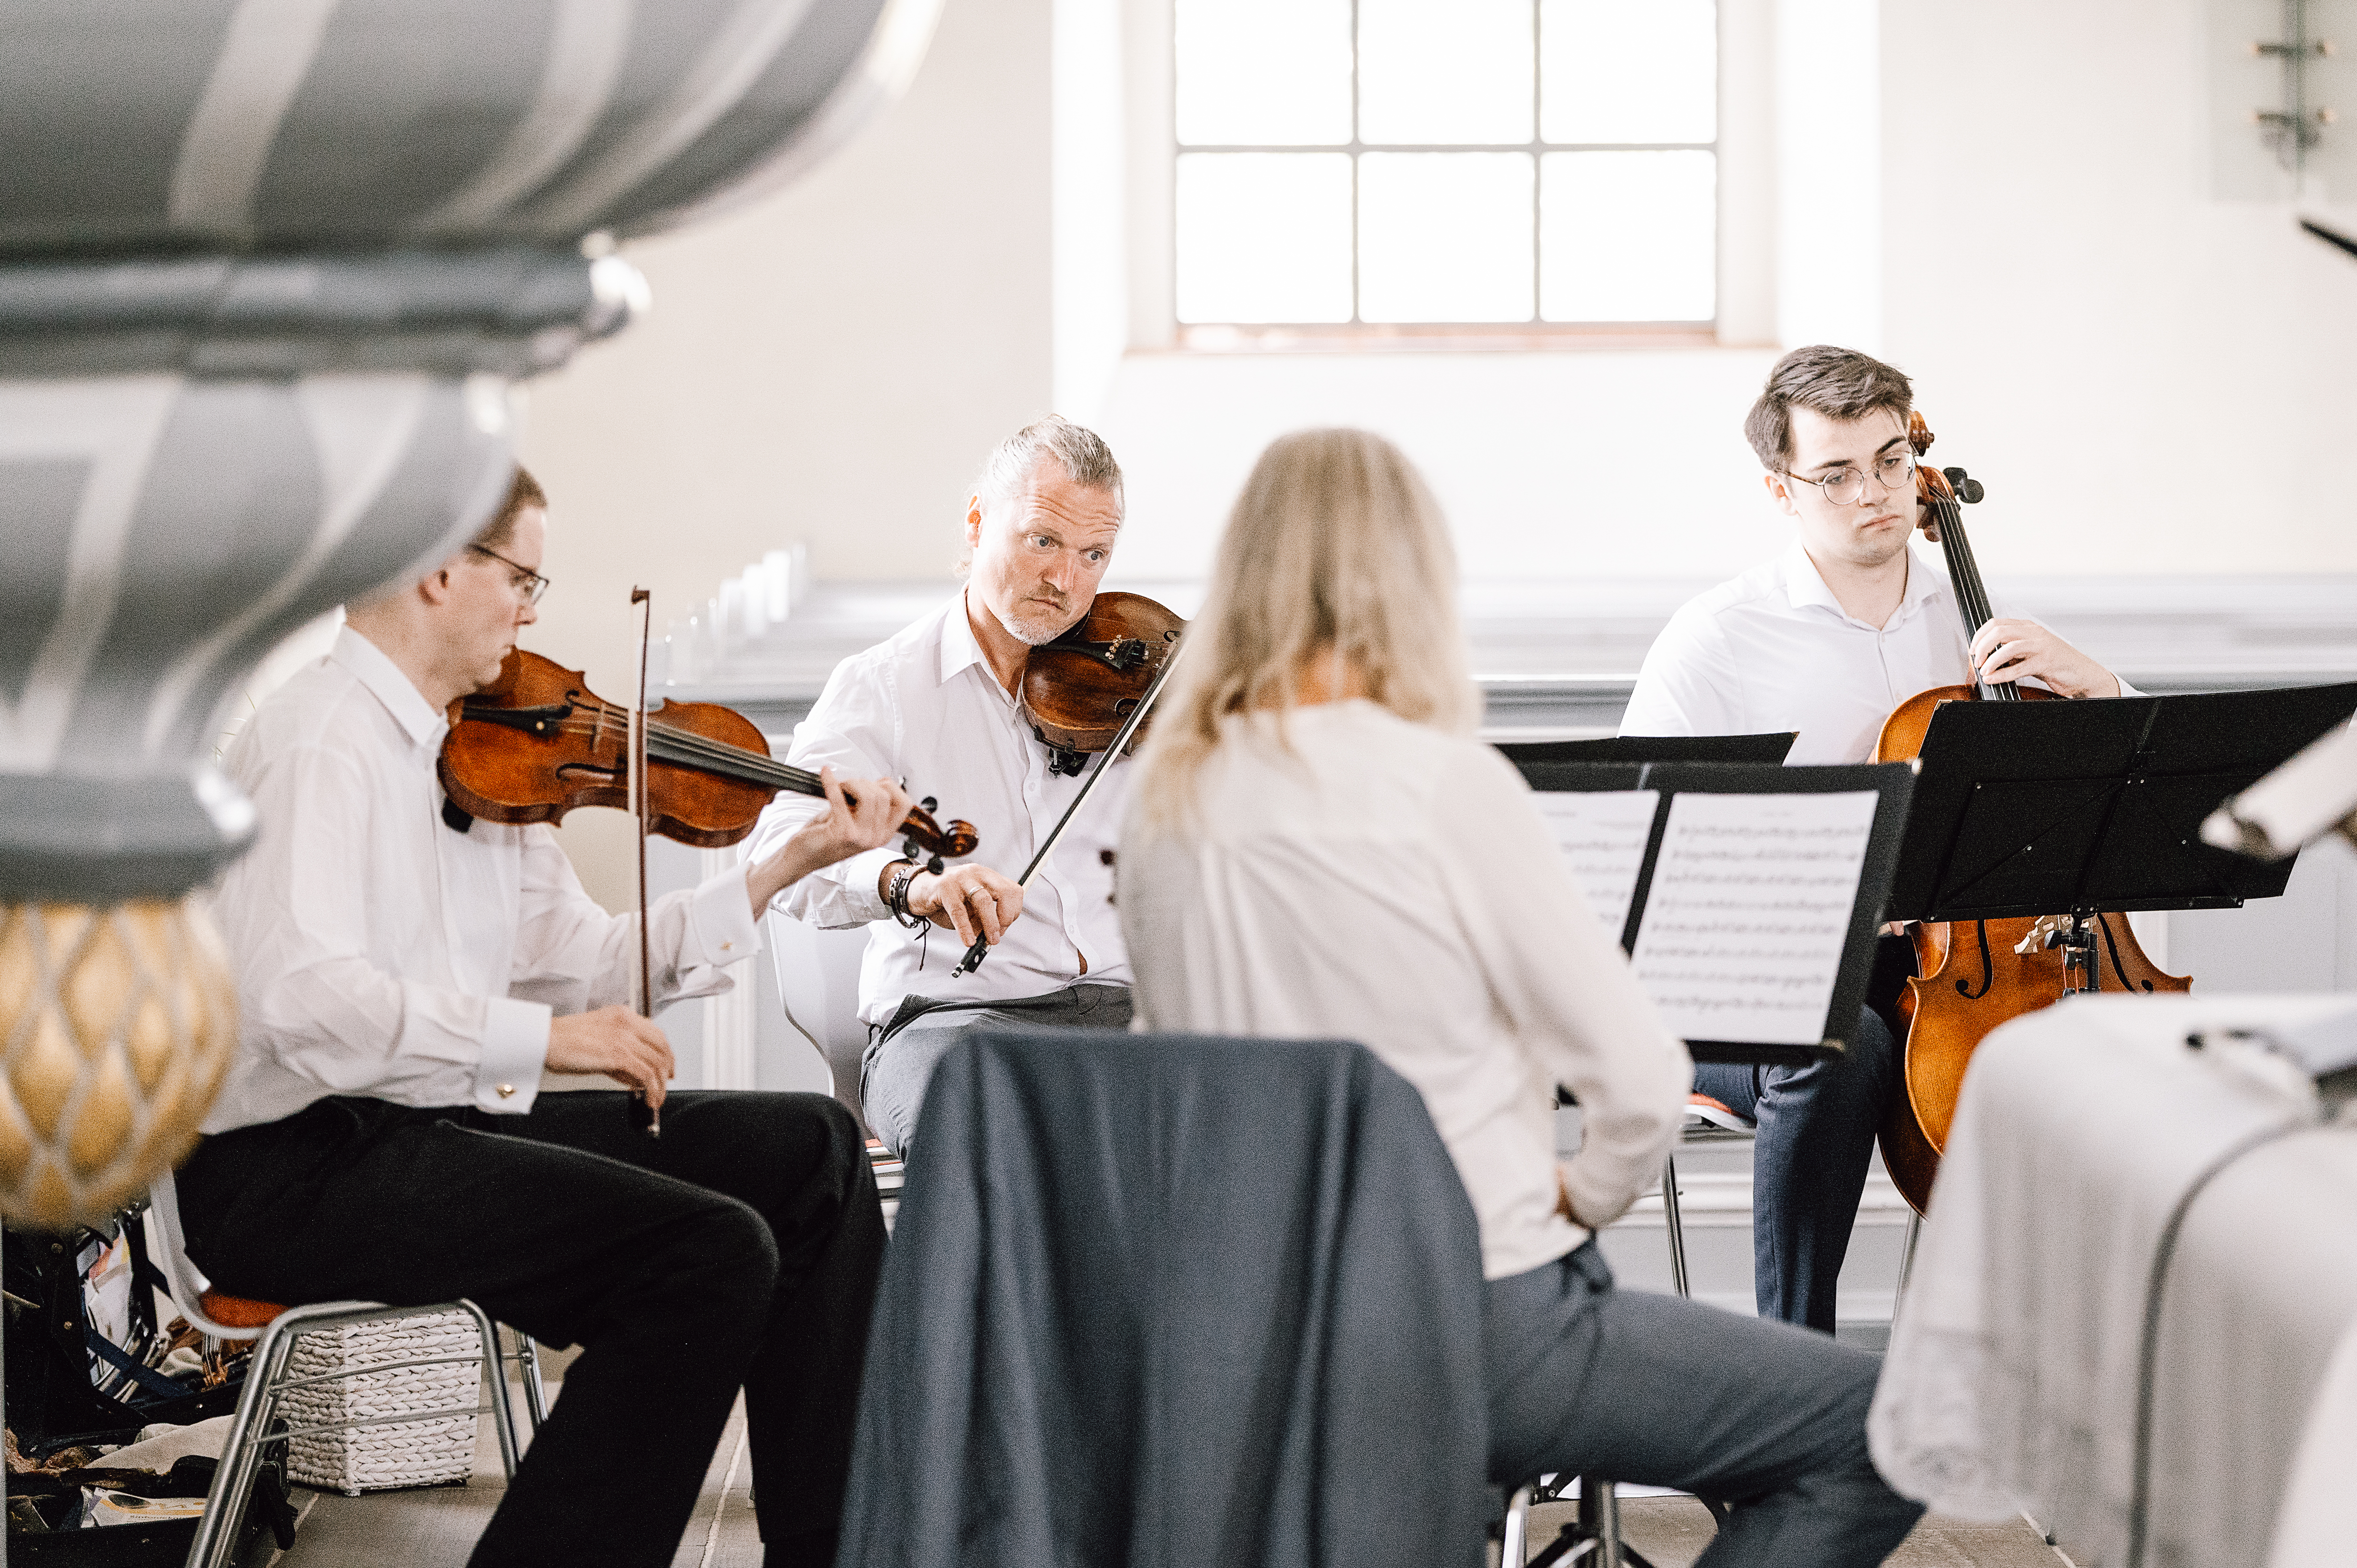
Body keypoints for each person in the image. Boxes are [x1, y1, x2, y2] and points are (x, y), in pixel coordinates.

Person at [1118, 429, 1924, 1567]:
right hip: (1467, 1308)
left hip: (1241, 1315)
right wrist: (1575, 1196)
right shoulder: (1447, 784)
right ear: (1411, 579)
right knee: (1883, 1431)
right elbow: (1641, 1078)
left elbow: (1173, 1069)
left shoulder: (1167, 801)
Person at [181, 466, 912, 1568]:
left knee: (810, 1148)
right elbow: (302, 1001)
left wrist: (789, 862)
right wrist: (543, 1042)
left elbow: (592, 964)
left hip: (425, 1127)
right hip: (287, 1164)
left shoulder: (478, 748)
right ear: (439, 570)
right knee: (708, 1251)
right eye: (522, 575)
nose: (533, 609)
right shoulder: (316, 738)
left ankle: (834, 1548)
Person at [1620, 344, 2134, 1331]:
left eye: (1893, 462)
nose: (1876, 493)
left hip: (1938, 974)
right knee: (1840, 1046)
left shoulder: (1979, 630)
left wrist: (2097, 689)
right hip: (1748, 992)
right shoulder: (1716, 639)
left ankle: (2061, 1381)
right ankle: (1788, 1374)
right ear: (1780, 490)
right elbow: (1651, 855)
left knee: (2109, 1055)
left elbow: (2113, 797)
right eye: (1837, 474)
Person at [747, 416, 1134, 1157]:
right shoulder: (882, 686)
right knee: (987, 1146)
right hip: (956, 1021)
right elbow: (783, 852)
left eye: (1094, 554)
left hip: (1126, 1015)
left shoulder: (1133, 690)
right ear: (978, 521)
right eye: (1043, 541)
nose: (1066, 581)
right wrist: (906, 886)